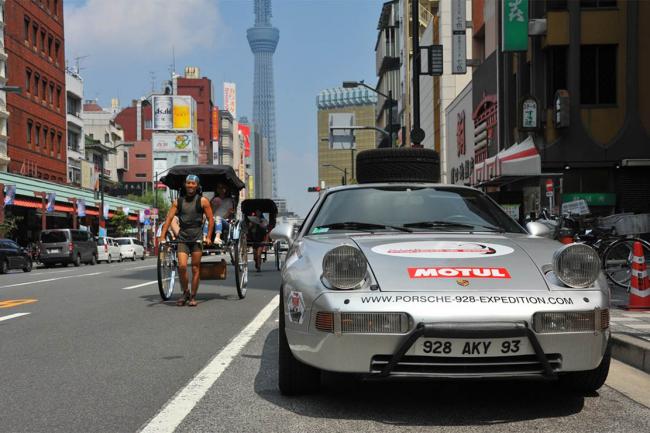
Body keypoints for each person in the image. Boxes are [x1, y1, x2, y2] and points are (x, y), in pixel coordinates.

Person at [159, 175, 214, 307]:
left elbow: (211, 220)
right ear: (185, 185)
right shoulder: (177, 202)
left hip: (197, 237)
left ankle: (193, 296)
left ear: (197, 186)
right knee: (182, 266)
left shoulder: (203, 201)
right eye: (188, 183)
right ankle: (185, 292)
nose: (190, 186)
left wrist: (208, 237)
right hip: (182, 237)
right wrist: (162, 236)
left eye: (193, 183)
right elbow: (169, 219)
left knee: (195, 268)